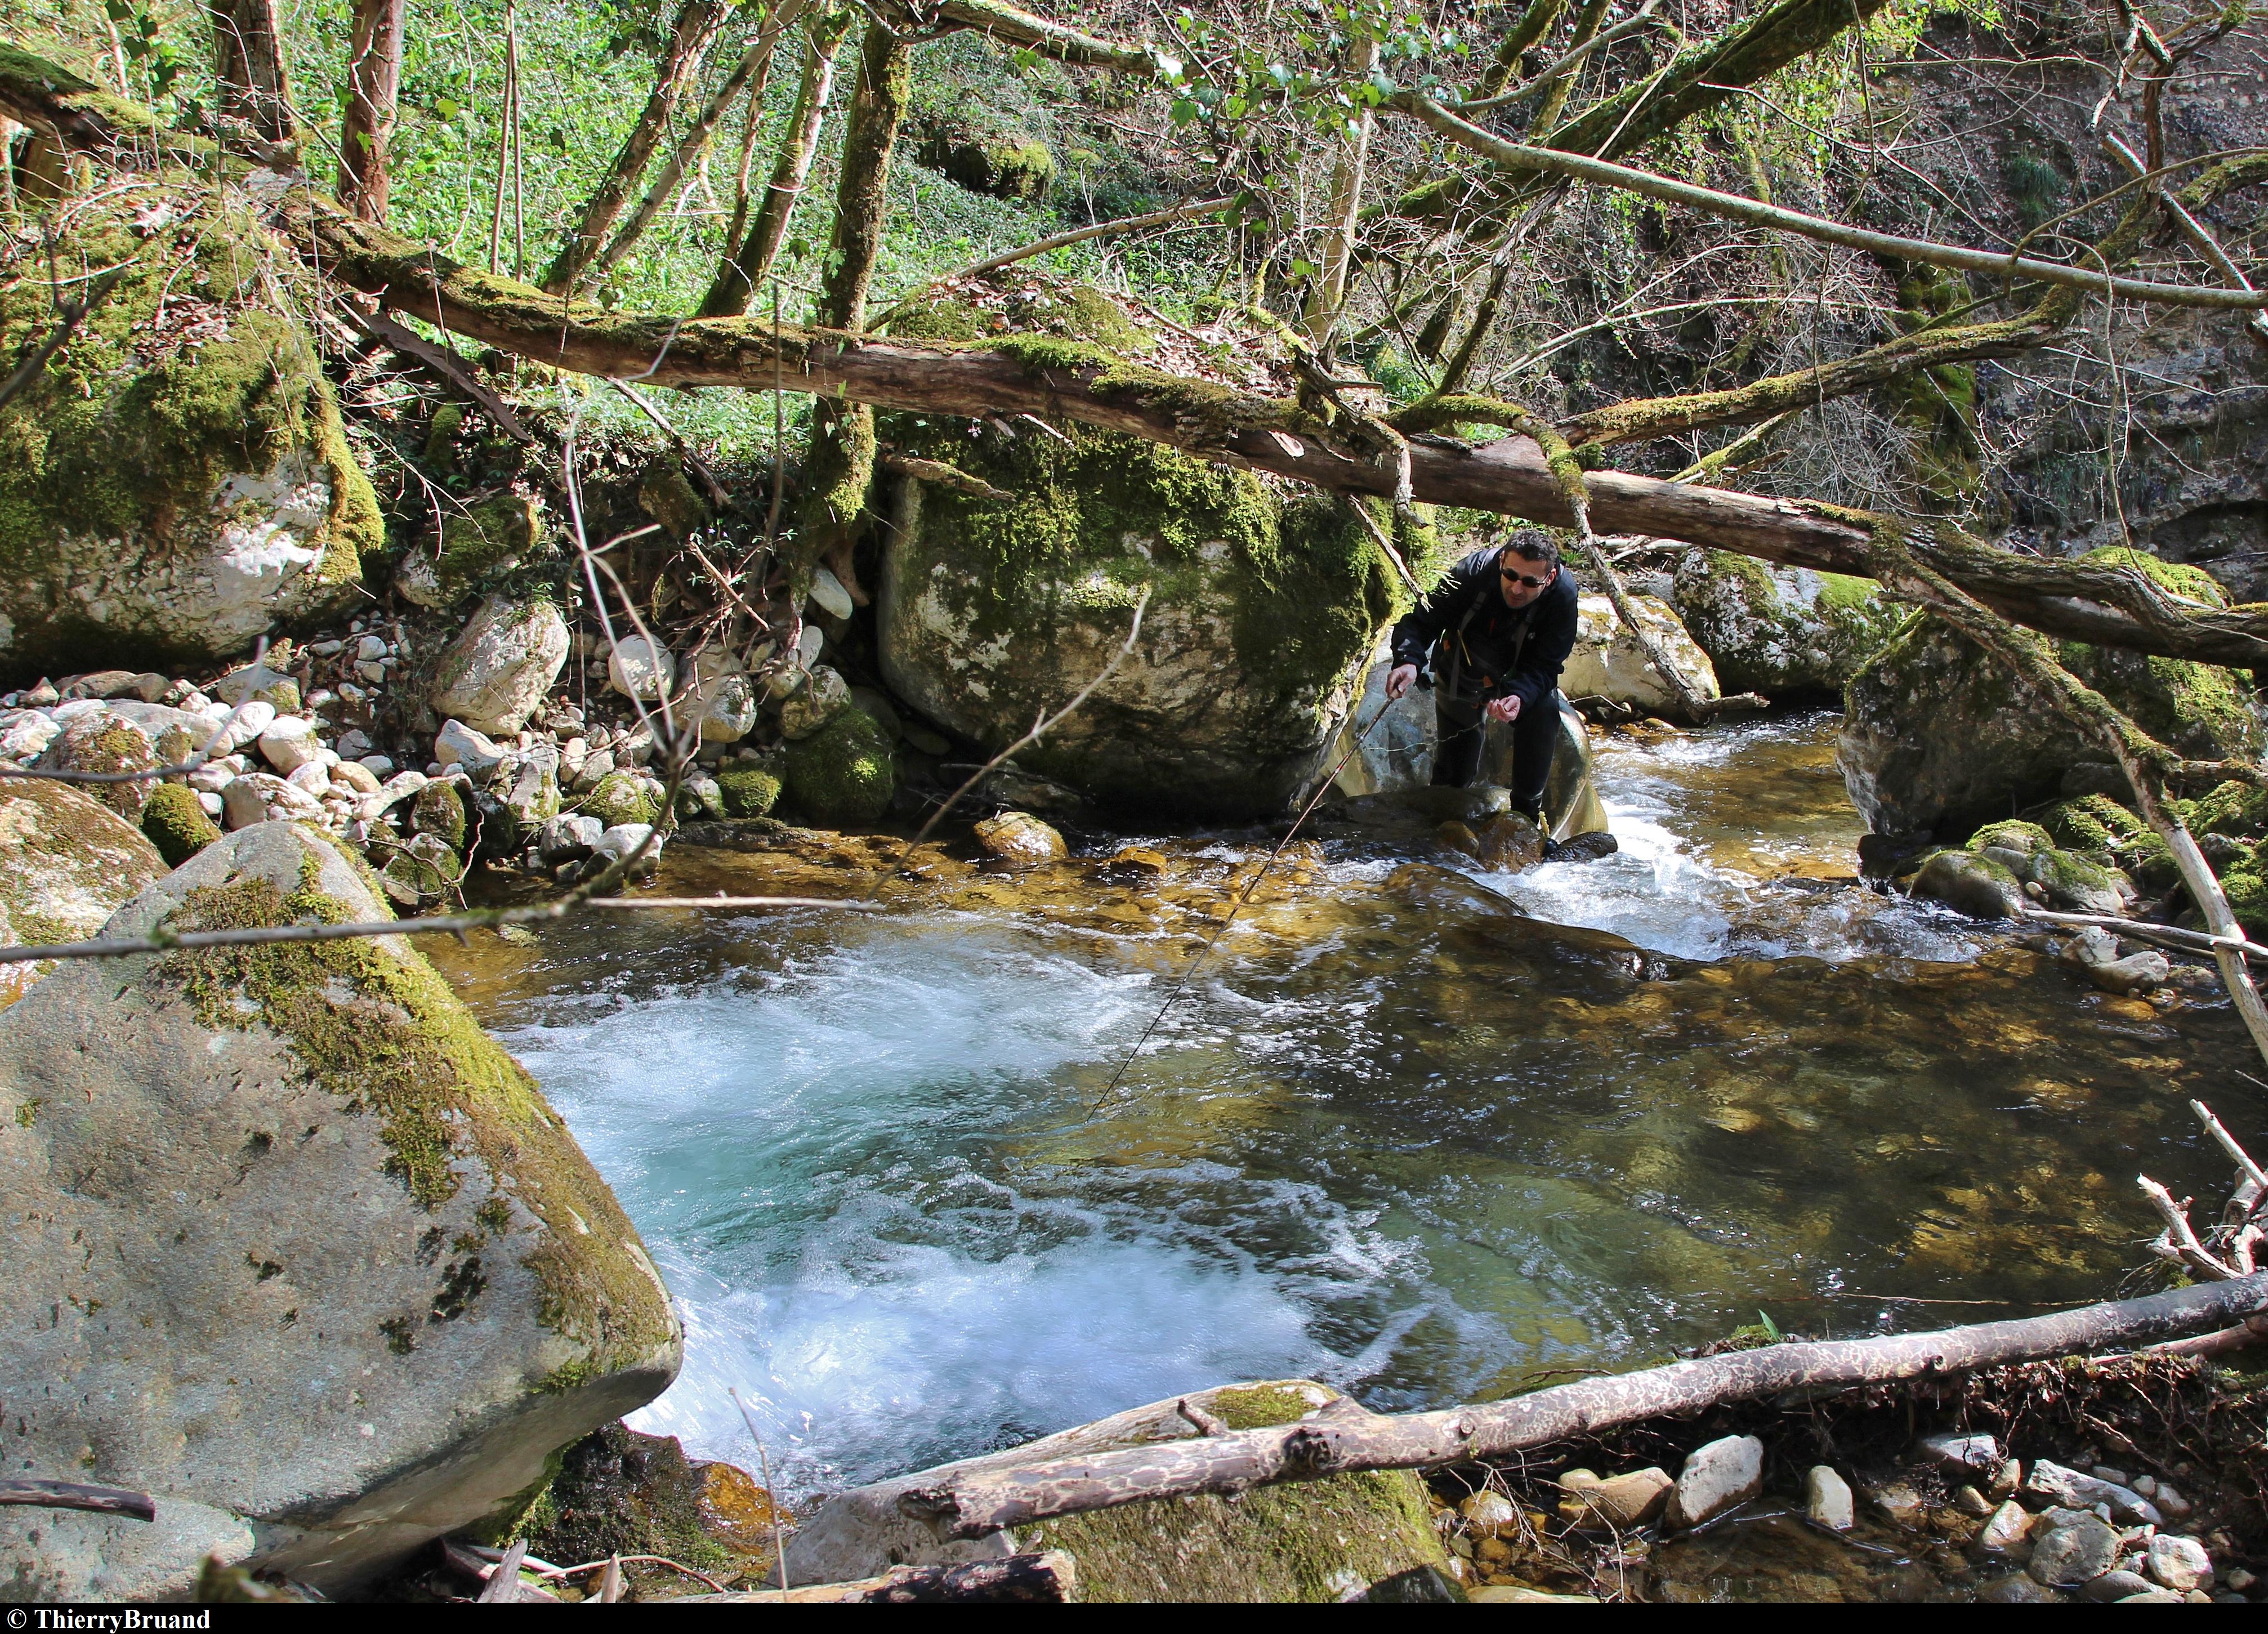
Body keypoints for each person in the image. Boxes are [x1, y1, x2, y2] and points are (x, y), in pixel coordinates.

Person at [1385, 529, 1578, 820]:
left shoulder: (1562, 596)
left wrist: (1519, 696)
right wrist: (1408, 660)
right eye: (1511, 575)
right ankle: (1441, 828)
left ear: (1548, 579)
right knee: (1453, 777)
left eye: (1529, 582)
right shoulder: (1470, 573)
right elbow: (1420, 621)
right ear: (1502, 561)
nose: (1516, 588)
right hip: (1465, 669)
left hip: (1521, 675)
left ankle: (1526, 817)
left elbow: (1547, 665)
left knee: (1543, 714)